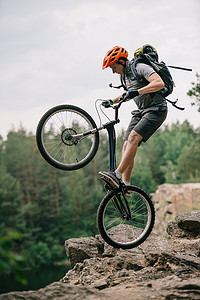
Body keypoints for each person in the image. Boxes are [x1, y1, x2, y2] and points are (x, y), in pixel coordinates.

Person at [98, 45, 168, 188]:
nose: (113, 71)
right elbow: (128, 94)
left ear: (122, 61)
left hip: (156, 109)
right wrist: (112, 100)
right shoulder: (124, 77)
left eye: (113, 67)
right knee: (126, 144)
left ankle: (116, 174)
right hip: (142, 111)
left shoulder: (140, 67)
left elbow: (159, 83)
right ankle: (126, 185)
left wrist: (138, 91)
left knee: (133, 138)